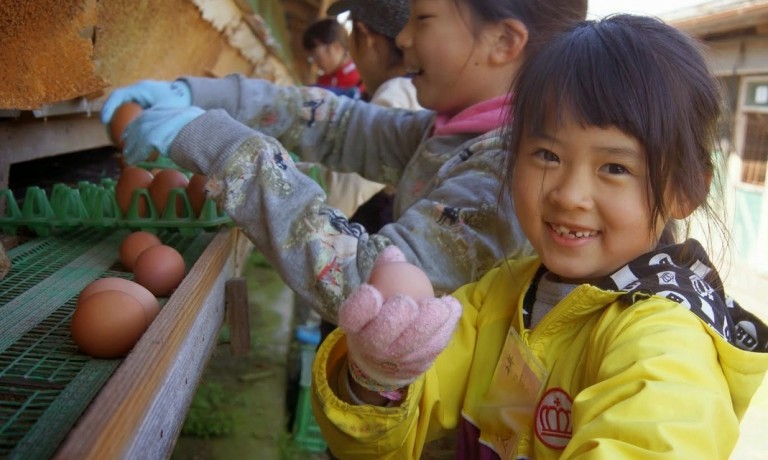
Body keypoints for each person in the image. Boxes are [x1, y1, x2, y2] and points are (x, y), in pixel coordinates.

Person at [311, 14, 768, 459]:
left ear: (683, 190)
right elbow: (385, 439)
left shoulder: (667, 346)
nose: (569, 195)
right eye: (547, 154)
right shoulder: (500, 295)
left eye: (615, 167)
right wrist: (377, 375)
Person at [99, 0, 587, 328]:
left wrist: (216, 142)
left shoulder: (501, 177)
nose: (405, 40)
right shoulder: (455, 133)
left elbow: (366, 282)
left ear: (503, 42)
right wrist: (201, 95)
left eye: (425, 19)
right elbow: (338, 123)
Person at [302, 17, 363, 94]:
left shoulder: (359, 80)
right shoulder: (323, 80)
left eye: (315, 55)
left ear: (336, 47)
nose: (314, 62)